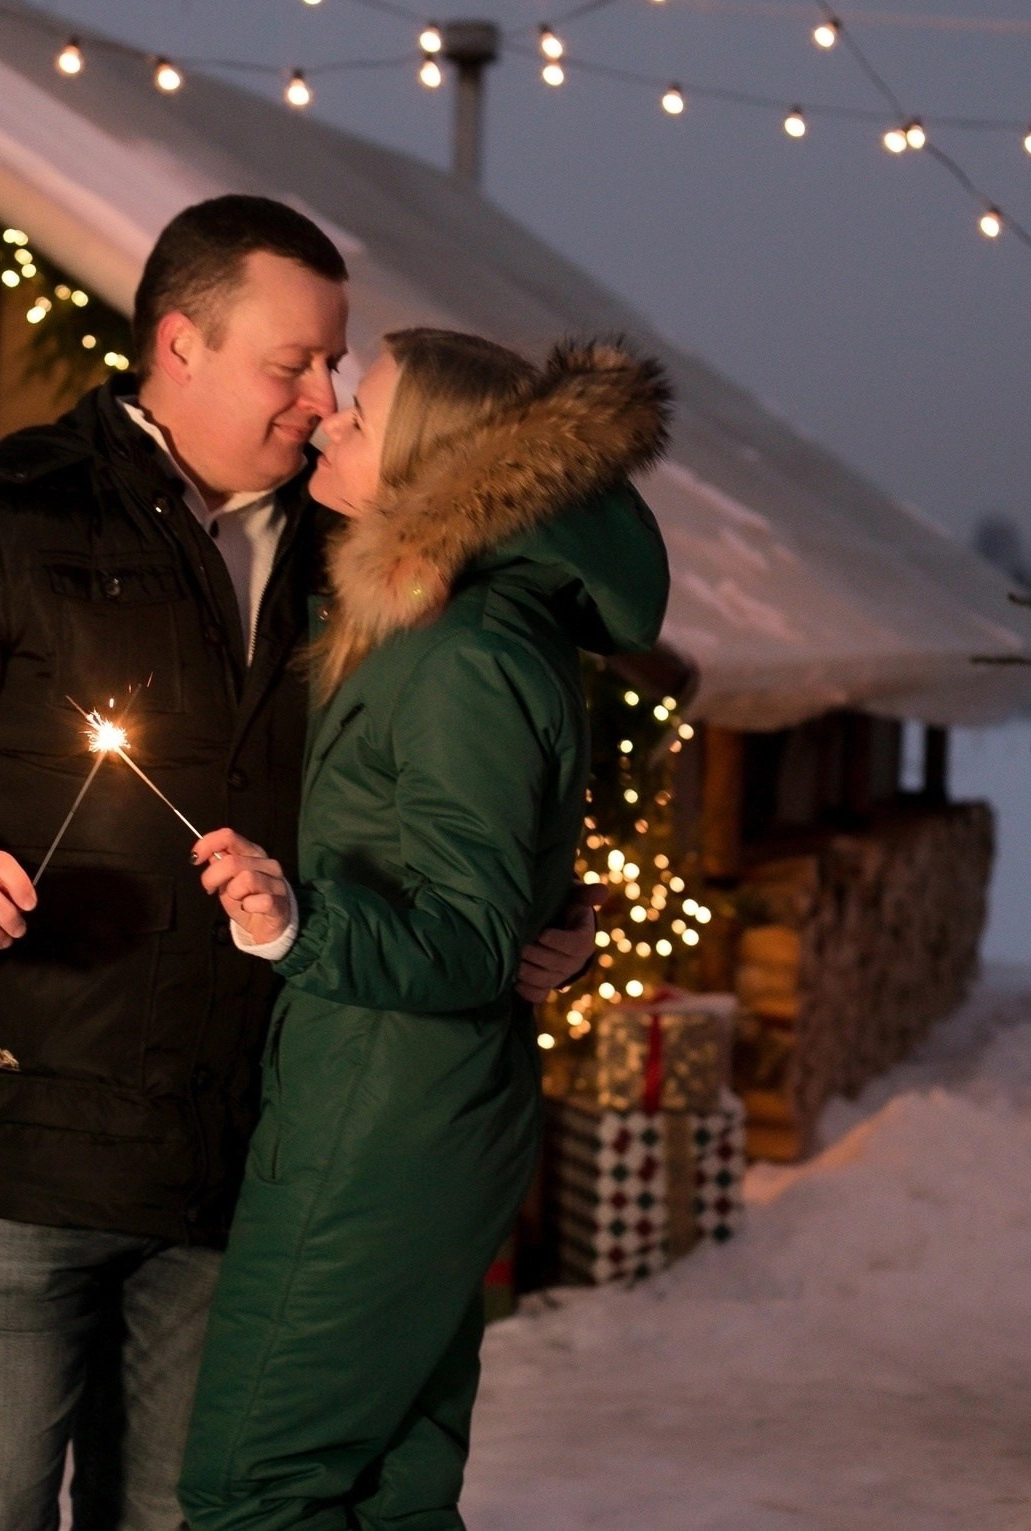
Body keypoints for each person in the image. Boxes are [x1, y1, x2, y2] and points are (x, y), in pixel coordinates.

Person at [0, 197, 597, 1531]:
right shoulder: (4, 513)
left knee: (176, 1510)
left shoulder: (363, 554)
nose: (322, 396)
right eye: (293, 364)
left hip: (233, 1143)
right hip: (17, 1132)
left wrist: (549, 912)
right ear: (180, 344)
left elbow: (444, 780)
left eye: (337, 365)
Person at [180, 330, 673, 1530]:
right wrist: (556, 922)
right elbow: (496, 884)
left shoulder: (464, 657)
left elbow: (459, 935)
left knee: (253, 1486)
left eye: (361, 415)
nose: (328, 425)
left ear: (438, 467)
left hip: (383, 1123)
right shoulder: (444, 629)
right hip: (411, 1108)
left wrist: (294, 921)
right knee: (391, 1485)